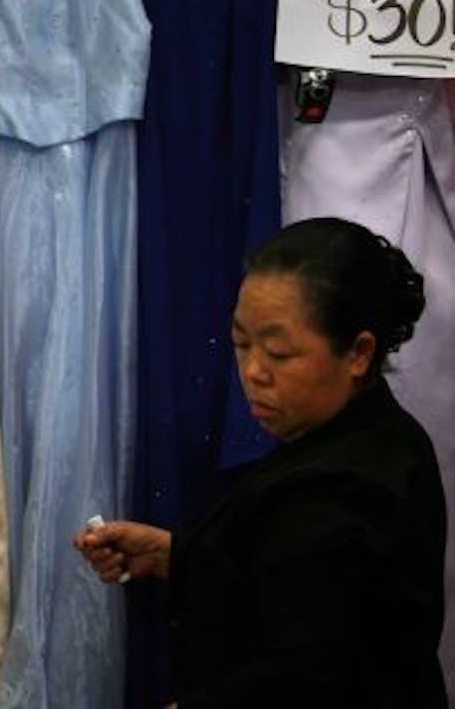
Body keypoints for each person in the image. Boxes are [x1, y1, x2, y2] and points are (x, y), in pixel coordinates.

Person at [75, 217, 446, 707]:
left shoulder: (344, 488)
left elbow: (300, 680)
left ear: (358, 353)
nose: (252, 372)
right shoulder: (377, 433)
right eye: (241, 343)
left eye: (278, 352)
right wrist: (174, 556)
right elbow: (298, 580)